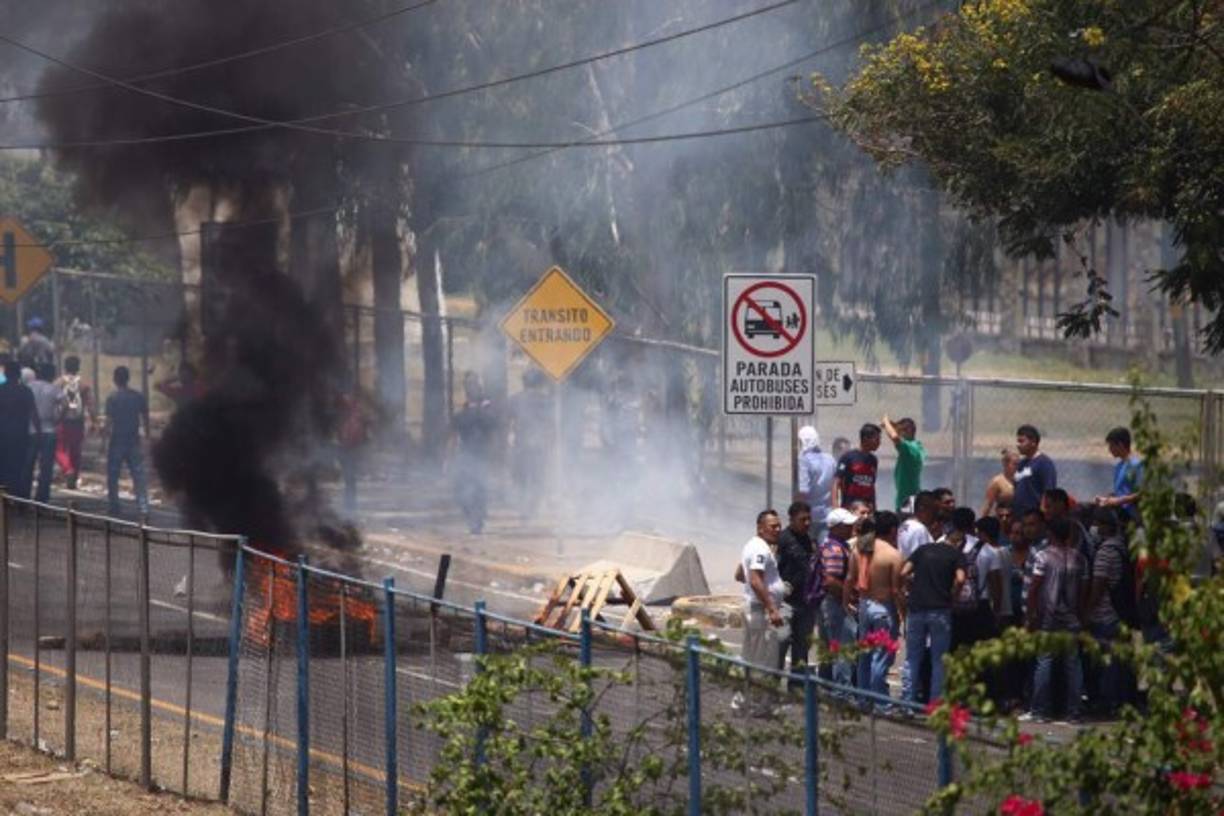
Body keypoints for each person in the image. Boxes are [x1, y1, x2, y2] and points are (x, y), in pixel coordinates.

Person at [1023, 516, 1088, 723]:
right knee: (1073, 664)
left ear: (1050, 534)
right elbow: (1083, 592)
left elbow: (1034, 588)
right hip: (1072, 618)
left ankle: (1040, 710)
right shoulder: (1079, 558)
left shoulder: (1043, 557)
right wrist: (1082, 617)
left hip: (1048, 618)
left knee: (1044, 662)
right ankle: (1074, 711)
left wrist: (1031, 615)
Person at [901, 523, 966, 704]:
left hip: (917, 608)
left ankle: (907, 701)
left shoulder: (923, 550)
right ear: (959, 542)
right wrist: (953, 595)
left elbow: (903, 572)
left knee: (912, 657)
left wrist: (911, 587)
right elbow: (961, 579)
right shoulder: (956, 555)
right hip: (940, 610)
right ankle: (935, 703)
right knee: (939, 659)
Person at [1083, 507, 1134, 716]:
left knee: (1107, 664)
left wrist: (1087, 612)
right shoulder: (1122, 546)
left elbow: (1098, 586)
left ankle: (1108, 703)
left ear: (1104, 526)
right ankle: (1121, 702)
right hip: (1120, 613)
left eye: (1096, 523)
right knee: (1119, 662)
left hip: (1105, 614)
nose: (1094, 528)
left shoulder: (1106, 551)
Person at [846, 511, 903, 697]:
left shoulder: (860, 549)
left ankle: (863, 697)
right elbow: (896, 590)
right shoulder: (893, 555)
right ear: (893, 530)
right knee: (881, 657)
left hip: (864, 604)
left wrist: (845, 602)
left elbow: (850, 578)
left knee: (865, 655)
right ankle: (879, 700)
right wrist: (903, 613)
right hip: (884, 607)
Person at [449, 372, 498, 534]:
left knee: (479, 488)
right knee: (461, 490)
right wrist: (449, 457)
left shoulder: (487, 409)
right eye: (468, 385)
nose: (471, 388)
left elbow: (493, 428)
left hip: (482, 455)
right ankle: (473, 517)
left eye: (474, 385)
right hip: (465, 455)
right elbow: (455, 433)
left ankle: (477, 520)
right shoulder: (464, 411)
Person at [813, 508, 857, 686]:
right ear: (836, 527)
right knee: (842, 648)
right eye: (847, 525)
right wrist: (849, 597)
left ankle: (826, 687)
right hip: (834, 602)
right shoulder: (835, 549)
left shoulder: (833, 544)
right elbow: (830, 580)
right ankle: (842, 690)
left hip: (828, 602)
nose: (851, 527)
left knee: (828, 647)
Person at [738, 509, 786, 671]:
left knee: (751, 654)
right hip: (760, 609)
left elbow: (739, 574)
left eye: (779, 526)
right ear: (760, 528)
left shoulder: (752, 545)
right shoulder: (760, 549)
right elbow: (755, 579)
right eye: (773, 526)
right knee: (762, 659)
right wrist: (772, 609)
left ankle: (746, 686)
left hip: (755, 606)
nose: (778, 530)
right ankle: (758, 687)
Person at [949, 507, 1002, 653]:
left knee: (954, 651)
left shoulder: (943, 545)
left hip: (952, 606)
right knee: (979, 653)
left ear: (952, 524)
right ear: (973, 525)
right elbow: (996, 586)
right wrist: (997, 612)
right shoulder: (987, 550)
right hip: (980, 607)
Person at [776, 501, 815, 679]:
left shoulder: (808, 540)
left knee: (802, 649)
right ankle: (771, 684)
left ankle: (797, 688)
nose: (807, 523)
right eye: (802, 519)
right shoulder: (783, 540)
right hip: (785, 603)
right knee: (781, 642)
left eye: (809, 519)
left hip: (805, 603)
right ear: (791, 519)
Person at [105, 366, 149, 517]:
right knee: (138, 475)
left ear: (115, 379)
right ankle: (143, 507)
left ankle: (114, 506)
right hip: (133, 440)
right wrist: (147, 436)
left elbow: (108, 422)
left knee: (113, 475)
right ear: (128, 378)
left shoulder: (112, 398)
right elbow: (145, 417)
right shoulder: (138, 396)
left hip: (117, 440)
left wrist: (103, 442)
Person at [509, 368, 552, 521]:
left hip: (521, 445)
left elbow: (508, 422)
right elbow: (551, 424)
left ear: (524, 382)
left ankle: (524, 509)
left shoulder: (515, 399)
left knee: (521, 478)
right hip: (539, 446)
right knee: (537, 479)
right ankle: (532, 509)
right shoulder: (546, 400)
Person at [0, 360, 38, 498]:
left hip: (2, 435)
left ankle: (4, 496)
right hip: (20, 435)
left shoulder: (1, 390)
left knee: (3, 465)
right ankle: (17, 497)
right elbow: (34, 414)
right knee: (18, 467)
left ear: (5, 374)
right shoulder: (25, 391)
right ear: (19, 375)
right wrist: (38, 433)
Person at [55, 355, 94, 489]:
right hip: (78, 422)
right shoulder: (84, 384)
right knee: (76, 450)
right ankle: (74, 477)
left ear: (65, 367)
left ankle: (68, 469)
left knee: (60, 449)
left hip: (63, 420)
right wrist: (94, 420)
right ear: (78, 367)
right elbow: (90, 404)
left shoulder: (58, 383)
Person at [26, 363, 61, 503]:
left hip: (31, 430)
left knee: (28, 464)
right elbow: (66, 404)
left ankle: (24, 496)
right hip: (49, 429)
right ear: (52, 375)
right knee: (46, 467)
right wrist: (59, 418)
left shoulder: (29, 387)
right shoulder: (54, 389)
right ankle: (42, 498)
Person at [796, 426, 836, 541]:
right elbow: (834, 485)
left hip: (809, 515)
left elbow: (803, 491)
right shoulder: (830, 459)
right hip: (827, 513)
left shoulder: (804, 460)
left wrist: (797, 511)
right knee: (824, 546)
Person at [1095, 427, 1142, 523]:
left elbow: (1142, 493)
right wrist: (1107, 499)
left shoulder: (1135, 465)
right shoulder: (1119, 466)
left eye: (1111, 446)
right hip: (1119, 509)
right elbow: (1121, 492)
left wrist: (1118, 501)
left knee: (1095, 514)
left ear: (1120, 445)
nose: (1109, 450)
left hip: (1129, 513)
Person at [832, 423, 881, 510]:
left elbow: (871, 486)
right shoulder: (848, 457)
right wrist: (835, 507)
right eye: (876, 439)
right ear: (865, 439)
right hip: (850, 508)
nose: (879, 443)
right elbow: (836, 482)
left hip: (867, 510)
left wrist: (874, 508)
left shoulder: (873, 460)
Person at [1013, 425, 1056, 518]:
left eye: (1021, 441)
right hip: (1019, 516)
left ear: (1033, 442)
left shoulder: (1044, 463)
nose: (1018, 445)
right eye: (1018, 441)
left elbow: (1049, 492)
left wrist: (1044, 513)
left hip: (1035, 517)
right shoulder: (1021, 464)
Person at [882, 415, 924, 512]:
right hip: (907, 498)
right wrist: (893, 425)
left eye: (901, 430)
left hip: (908, 500)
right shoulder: (916, 446)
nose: (899, 432)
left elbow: (895, 437)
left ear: (908, 430)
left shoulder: (910, 448)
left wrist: (886, 421)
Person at [898, 490, 938, 561]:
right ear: (922, 508)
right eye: (933, 509)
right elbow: (921, 559)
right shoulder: (919, 529)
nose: (935, 514)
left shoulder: (904, 525)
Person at [980, 449, 1018, 519]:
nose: (1017, 467)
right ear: (1005, 464)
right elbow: (988, 504)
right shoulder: (997, 482)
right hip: (1002, 518)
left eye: (1018, 464)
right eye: (1014, 464)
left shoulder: (1020, 481)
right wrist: (982, 521)